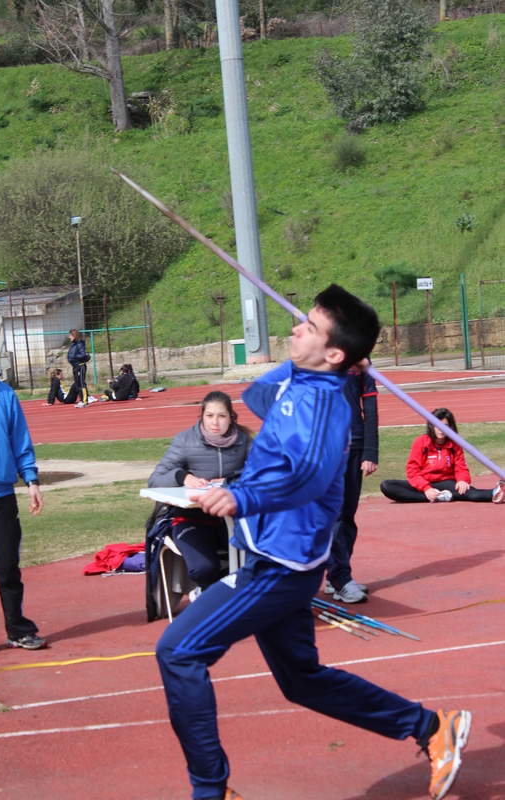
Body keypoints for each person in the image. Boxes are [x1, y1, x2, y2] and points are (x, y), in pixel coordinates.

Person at [155, 286, 471, 800]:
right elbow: (257, 396)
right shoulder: (302, 385)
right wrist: (310, 360)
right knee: (301, 680)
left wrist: (242, 497)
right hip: (275, 553)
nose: (296, 328)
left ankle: (210, 792)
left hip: (279, 566)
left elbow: (306, 477)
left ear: (335, 353)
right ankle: (432, 728)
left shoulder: (326, 410)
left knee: (179, 652)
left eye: (310, 326)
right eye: (303, 320)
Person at [0, 325, 47, 658]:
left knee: (7, 567)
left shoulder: (5, 395)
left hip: (2, 496)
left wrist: (31, 481)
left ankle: (17, 628)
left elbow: (21, 443)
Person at [148, 391, 252, 593]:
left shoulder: (243, 440)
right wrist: (182, 477)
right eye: (210, 416)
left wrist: (232, 479)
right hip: (192, 520)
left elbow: (265, 470)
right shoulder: (185, 441)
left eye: (222, 416)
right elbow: (154, 480)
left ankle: (233, 592)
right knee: (204, 570)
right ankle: (209, 592)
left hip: (232, 519)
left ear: (231, 417)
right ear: (202, 416)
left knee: (267, 558)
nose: (215, 422)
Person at [325, 365, 378, 603]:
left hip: (355, 447)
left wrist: (371, 451)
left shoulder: (361, 359)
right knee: (334, 516)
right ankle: (341, 578)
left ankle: (335, 576)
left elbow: (370, 407)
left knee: (347, 516)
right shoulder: (318, 354)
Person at [381, 407, 505, 504]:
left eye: (444, 426)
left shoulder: (455, 443)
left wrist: (462, 480)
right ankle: (438, 497)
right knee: (387, 486)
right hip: (423, 483)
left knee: (470, 493)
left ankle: (497, 492)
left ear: (450, 427)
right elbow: (412, 471)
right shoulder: (420, 442)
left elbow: (461, 466)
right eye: (437, 426)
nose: (440, 430)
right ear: (432, 426)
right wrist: (426, 488)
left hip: (446, 482)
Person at [67, 329, 95, 408]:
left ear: (74, 336)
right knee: (77, 384)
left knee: (81, 383)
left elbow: (83, 355)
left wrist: (74, 357)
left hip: (80, 366)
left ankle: (85, 401)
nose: (69, 337)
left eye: (71, 335)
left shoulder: (79, 344)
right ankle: (82, 400)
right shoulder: (73, 344)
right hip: (75, 366)